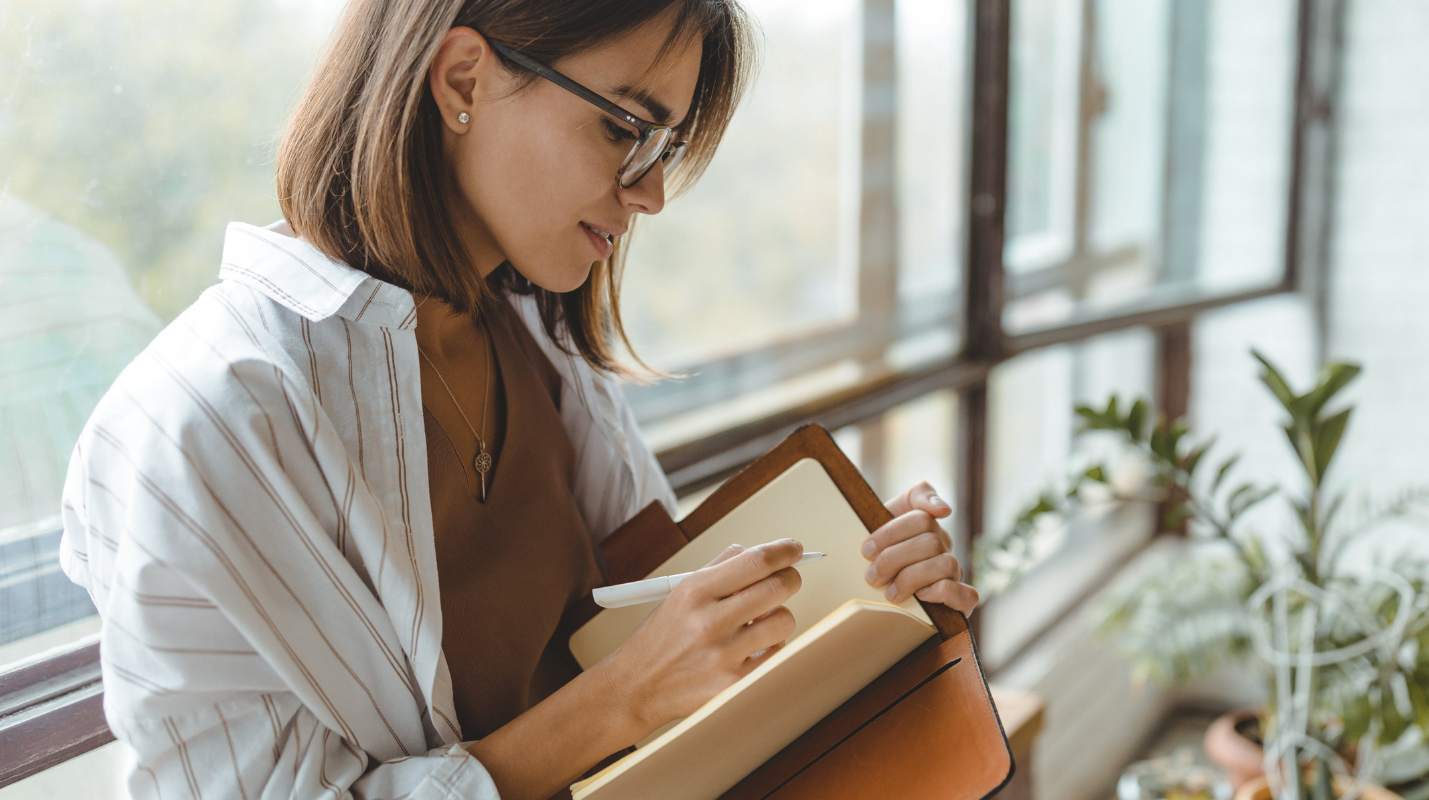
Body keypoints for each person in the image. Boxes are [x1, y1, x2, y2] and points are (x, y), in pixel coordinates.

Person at [57, 2, 979, 798]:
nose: (652, 191)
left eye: (665, 146)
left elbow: (656, 630)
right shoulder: (202, 426)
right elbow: (633, 682)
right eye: (625, 128)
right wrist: (616, 704)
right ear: (464, 78)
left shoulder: (535, 341)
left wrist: (860, 594)